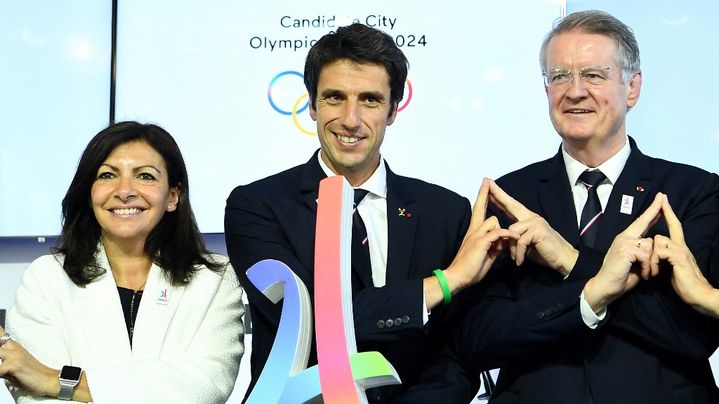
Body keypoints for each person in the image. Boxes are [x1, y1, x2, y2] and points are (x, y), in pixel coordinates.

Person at [225, 23, 514, 403]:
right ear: (311, 106)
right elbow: (311, 324)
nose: (350, 119)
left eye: (370, 100)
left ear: (394, 109)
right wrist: (447, 282)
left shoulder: (445, 212)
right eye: (334, 98)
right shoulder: (257, 205)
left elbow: (457, 352)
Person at [451, 9, 719, 404]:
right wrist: (592, 294)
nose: (574, 91)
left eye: (594, 75)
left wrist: (569, 260)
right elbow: (479, 338)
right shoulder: (509, 198)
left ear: (633, 87)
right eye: (559, 76)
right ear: (546, 91)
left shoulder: (691, 192)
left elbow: (694, 335)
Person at [0, 122, 244, 403]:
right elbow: (36, 395)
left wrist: (55, 379)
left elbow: (203, 388)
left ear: (173, 196)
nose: (124, 190)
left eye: (145, 176)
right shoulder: (46, 278)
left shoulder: (213, 279)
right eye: (107, 175)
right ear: (89, 193)